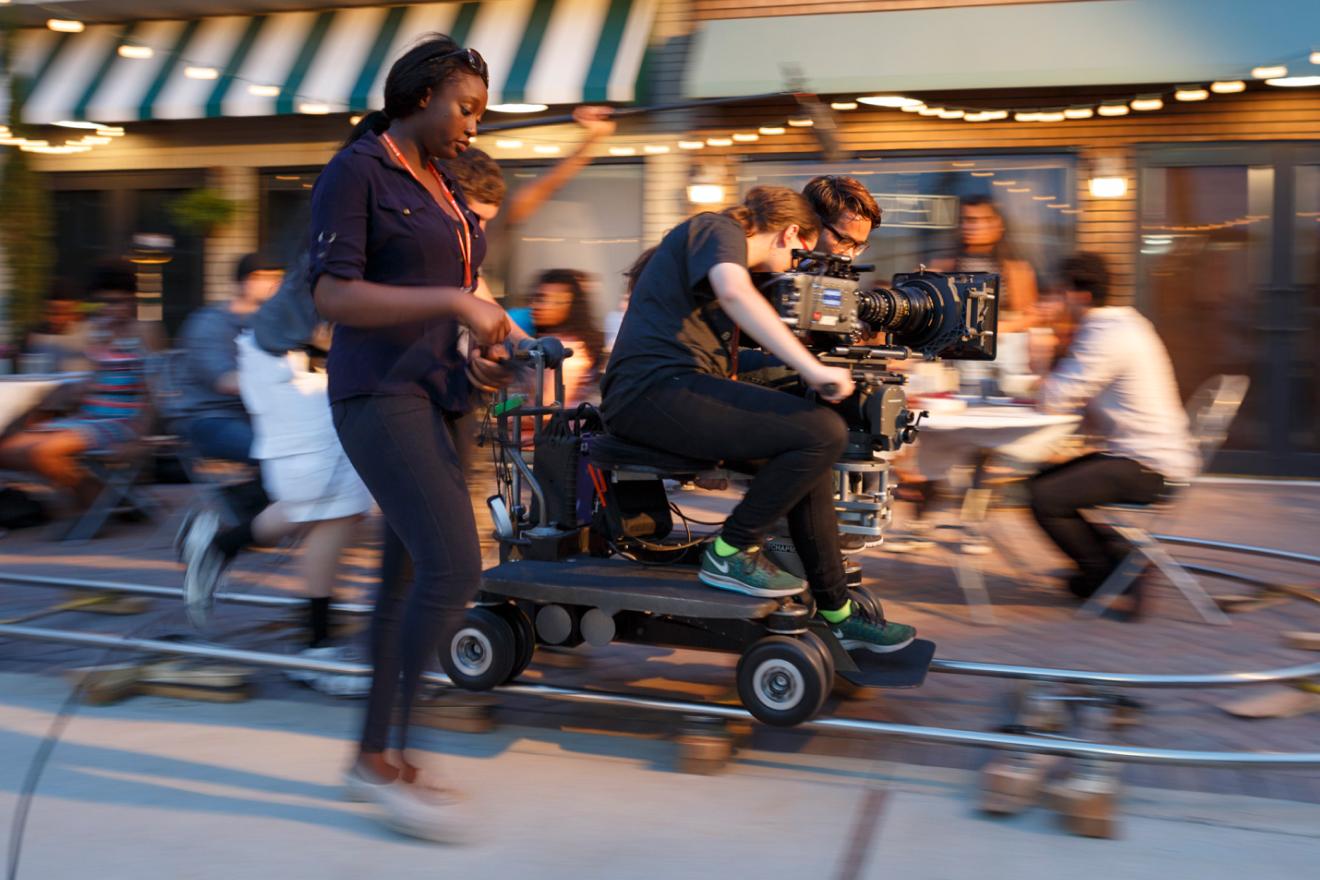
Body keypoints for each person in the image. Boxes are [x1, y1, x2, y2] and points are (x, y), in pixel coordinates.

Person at [308, 35, 515, 842]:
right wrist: (459, 305)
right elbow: (333, 292)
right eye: (464, 108)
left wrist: (484, 354)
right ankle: (396, 757)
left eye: (480, 112)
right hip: (379, 394)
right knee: (455, 566)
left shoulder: (446, 187)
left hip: (445, 395)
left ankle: (374, 757)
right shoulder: (358, 170)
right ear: (419, 96)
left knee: (404, 583)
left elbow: (452, 294)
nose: (471, 124)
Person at [601, 186, 916, 653]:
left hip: (679, 389)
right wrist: (812, 370)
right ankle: (730, 551)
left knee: (809, 453)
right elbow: (734, 292)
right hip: (648, 394)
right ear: (789, 232)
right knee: (821, 432)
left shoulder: (730, 256)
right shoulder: (716, 228)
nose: (796, 264)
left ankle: (838, 612)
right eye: (799, 252)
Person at [177, 268, 375, 695]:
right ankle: (314, 649)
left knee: (338, 503)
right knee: (334, 503)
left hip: (301, 358)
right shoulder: (375, 208)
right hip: (285, 361)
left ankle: (220, 545)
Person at [1027, 252, 1197, 609]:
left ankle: (1108, 576)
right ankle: (1118, 563)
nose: (1055, 301)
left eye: (1059, 293)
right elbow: (1082, 403)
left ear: (1080, 296)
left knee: (1045, 496)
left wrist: (1040, 348)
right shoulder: (1124, 324)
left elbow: (1053, 398)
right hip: (1145, 455)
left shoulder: (1106, 334)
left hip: (1150, 465)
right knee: (1042, 481)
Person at [0, 261, 148, 510]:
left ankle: (94, 502)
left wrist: (140, 437)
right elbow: (93, 381)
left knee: (42, 452)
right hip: (87, 416)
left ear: (132, 301)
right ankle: (99, 496)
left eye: (117, 302)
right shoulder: (97, 332)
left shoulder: (144, 331)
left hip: (120, 422)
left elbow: (152, 393)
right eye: (102, 303)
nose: (109, 309)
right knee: (5, 452)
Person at [175, 254, 283, 462]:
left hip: (261, 415)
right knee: (272, 451)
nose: (274, 284)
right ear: (242, 282)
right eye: (263, 277)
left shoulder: (275, 324)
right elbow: (226, 382)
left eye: (279, 278)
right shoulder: (209, 324)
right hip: (211, 417)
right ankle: (251, 493)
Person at [932, 194, 1039, 335]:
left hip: (1001, 345)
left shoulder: (1016, 269)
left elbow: (1030, 317)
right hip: (953, 343)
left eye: (976, 220)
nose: (969, 226)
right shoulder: (943, 266)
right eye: (964, 220)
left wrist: (995, 329)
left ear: (997, 223)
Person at [531, 268, 603, 406]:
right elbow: (526, 399)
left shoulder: (569, 351)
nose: (535, 306)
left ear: (569, 304)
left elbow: (547, 409)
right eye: (536, 298)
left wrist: (502, 414)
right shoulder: (544, 343)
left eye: (544, 299)